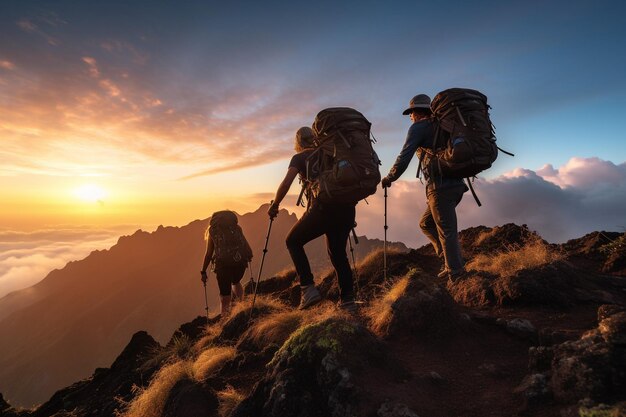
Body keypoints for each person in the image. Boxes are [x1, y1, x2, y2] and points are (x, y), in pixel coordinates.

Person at [268, 126, 357, 311]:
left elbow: (286, 183)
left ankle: (308, 289)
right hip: (347, 209)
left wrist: (275, 205)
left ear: (298, 143)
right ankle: (348, 300)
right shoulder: (332, 151)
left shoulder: (300, 157)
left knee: (292, 241)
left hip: (324, 209)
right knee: (338, 254)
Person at [381, 94, 467, 282]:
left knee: (447, 230)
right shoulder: (445, 125)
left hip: (440, 187)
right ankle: (449, 261)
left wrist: (390, 177)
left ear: (415, 112)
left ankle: (457, 273)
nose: (410, 118)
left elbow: (404, 157)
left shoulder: (419, 127)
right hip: (458, 185)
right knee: (426, 224)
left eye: (410, 114)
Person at [200, 211, 253, 316]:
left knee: (225, 296)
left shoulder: (213, 231)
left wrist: (203, 271)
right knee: (236, 282)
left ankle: (224, 320)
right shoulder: (237, 228)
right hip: (240, 263)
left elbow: (209, 253)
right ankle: (241, 309)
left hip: (223, 266)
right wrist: (249, 255)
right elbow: (246, 245)